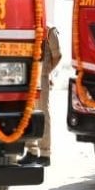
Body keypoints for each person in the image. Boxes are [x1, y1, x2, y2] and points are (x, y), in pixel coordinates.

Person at [20, 26, 63, 167]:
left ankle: (45, 154)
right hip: (25, 77)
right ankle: (31, 151)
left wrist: (46, 72)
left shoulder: (49, 30)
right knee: (28, 114)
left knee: (43, 113)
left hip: (41, 77)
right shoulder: (26, 26)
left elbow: (57, 55)